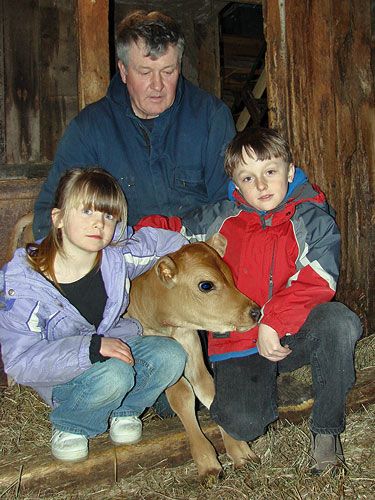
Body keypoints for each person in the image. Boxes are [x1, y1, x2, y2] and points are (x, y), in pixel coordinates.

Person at [135, 127, 363, 474]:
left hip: (292, 332)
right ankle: (270, 382)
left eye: (270, 172)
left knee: (339, 323)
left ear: (289, 171)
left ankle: (327, 433)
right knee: (243, 426)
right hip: (240, 339)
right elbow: (173, 230)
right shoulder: (221, 218)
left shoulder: (312, 217)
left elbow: (319, 277)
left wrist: (273, 321)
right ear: (235, 184)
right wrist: (126, 235)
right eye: (248, 177)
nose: (261, 186)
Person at [0, 168, 188, 462]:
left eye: (109, 216)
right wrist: (90, 348)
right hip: (62, 376)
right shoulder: (25, 283)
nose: (99, 223)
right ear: (58, 218)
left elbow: (161, 244)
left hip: (110, 352)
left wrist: (197, 242)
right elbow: (20, 362)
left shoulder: (115, 258)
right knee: (115, 373)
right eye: (86, 211)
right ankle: (72, 424)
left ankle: (124, 410)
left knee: (171, 354)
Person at [32, 10, 236, 239]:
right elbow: (51, 215)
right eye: (145, 72)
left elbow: (232, 206)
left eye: (168, 71)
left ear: (179, 66)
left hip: (197, 253)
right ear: (124, 71)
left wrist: (175, 236)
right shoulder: (90, 129)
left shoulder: (212, 117)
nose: (157, 85)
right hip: (121, 261)